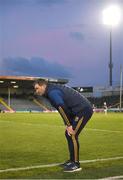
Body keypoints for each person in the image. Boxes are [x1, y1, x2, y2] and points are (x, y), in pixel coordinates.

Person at [34, 79, 93, 172]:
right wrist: (68, 123)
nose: (36, 91)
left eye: (37, 88)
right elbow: (63, 108)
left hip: (83, 110)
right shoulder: (51, 90)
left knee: (72, 134)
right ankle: (72, 160)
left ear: (43, 86)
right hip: (76, 111)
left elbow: (61, 106)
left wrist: (69, 124)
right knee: (68, 134)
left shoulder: (52, 92)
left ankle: (76, 164)